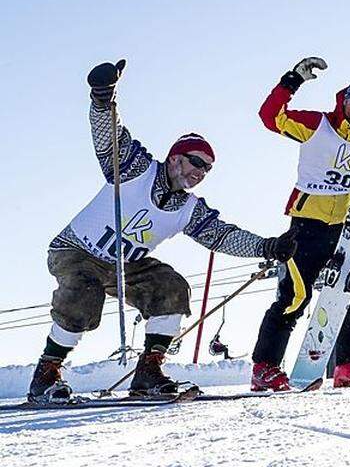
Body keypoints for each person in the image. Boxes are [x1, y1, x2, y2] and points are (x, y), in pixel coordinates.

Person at [28, 61, 297, 402]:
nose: (201, 172)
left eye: (207, 168)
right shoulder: (136, 169)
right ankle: (46, 372)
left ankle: (148, 372)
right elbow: (110, 138)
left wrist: (268, 247)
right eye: (195, 162)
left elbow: (222, 235)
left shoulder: (188, 208)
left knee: (170, 286)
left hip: (123, 264)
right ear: (174, 159)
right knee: (84, 293)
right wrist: (102, 98)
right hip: (76, 251)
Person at [250, 57, 350, 390]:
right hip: (307, 224)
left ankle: (349, 365)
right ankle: (265, 367)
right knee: (295, 296)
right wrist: (292, 80)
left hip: (347, 230)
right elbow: (271, 117)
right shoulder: (317, 125)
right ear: (343, 99)